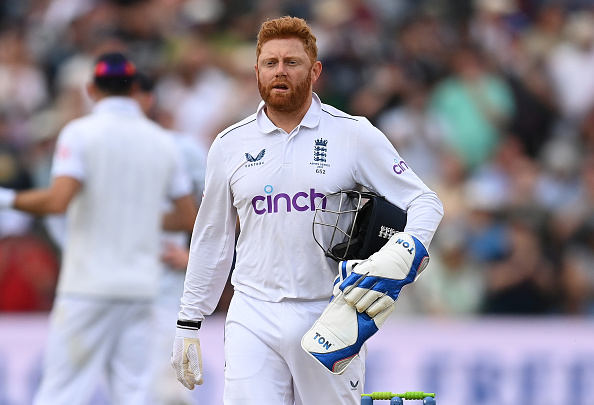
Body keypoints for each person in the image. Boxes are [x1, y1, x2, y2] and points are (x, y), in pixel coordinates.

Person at [171, 16, 444, 405]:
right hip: (253, 312)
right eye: (270, 63)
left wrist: (408, 250)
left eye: (292, 62)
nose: (279, 71)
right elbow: (212, 238)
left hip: (330, 312)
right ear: (256, 71)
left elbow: (424, 201)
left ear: (314, 70)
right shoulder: (229, 144)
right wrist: (188, 321)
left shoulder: (352, 133)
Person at [0, 52, 197, 405]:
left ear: (92, 89)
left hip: (87, 288)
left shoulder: (80, 133)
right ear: (135, 88)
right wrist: (135, 217)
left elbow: (59, 200)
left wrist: (7, 199)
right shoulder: (162, 142)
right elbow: (187, 217)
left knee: (62, 391)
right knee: (134, 393)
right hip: (140, 288)